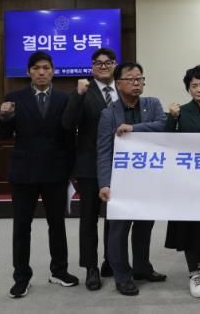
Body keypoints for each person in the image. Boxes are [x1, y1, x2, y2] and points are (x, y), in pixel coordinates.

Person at [0, 51, 79, 298]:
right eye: (36, 68)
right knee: (22, 227)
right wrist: (5, 116)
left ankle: (59, 271)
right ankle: (21, 277)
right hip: (24, 172)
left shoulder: (65, 99)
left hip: (56, 171)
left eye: (46, 68)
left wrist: (72, 171)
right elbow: (3, 134)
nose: (41, 72)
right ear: (28, 72)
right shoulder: (14, 98)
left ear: (53, 71)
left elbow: (70, 137)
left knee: (57, 225)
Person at [97, 61, 167, 296]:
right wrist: (104, 184)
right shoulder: (109, 113)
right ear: (118, 84)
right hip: (121, 182)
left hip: (148, 178)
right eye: (131, 79)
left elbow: (163, 125)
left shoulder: (153, 104)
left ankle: (142, 267)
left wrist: (134, 129)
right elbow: (104, 150)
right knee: (119, 230)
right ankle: (122, 275)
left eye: (140, 78)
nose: (137, 83)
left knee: (145, 226)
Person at [62, 47, 118, 290]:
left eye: (108, 62)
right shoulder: (83, 91)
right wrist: (78, 95)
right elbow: (67, 123)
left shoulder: (123, 89)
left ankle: (111, 261)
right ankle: (91, 267)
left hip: (119, 165)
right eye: (98, 63)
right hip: (89, 165)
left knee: (114, 218)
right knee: (89, 219)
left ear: (114, 65)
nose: (103, 66)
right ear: (92, 67)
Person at [164, 65, 200, 298]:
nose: (199, 89)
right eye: (194, 85)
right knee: (189, 227)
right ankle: (193, 274)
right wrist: (172, 119)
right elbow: (167, 141)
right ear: (188, 89)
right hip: (187, 180)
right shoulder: (180, 111)